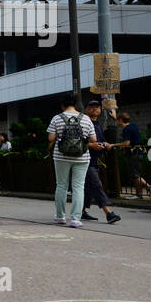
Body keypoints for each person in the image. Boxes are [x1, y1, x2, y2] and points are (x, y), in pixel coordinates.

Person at [48, 92, 100, 227]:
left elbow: (51, 139)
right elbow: (94, 139)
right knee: (78, 187)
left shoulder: (57, 118)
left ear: (62, 105)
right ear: (76, 104)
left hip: (61, 156)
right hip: (82, 157)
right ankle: (76, 219)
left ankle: (60, 217)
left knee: (61, 185)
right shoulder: (86, 119)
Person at [80, 101, 121, 224]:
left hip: (95, 160)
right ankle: (108, 213)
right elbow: (78, 142)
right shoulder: (84, 123)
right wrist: (92, 145)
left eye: (97, 107)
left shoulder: (97, 124)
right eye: (91, 107)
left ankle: (81, 211)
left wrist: (106, 144)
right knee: (96, 185)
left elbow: (101, 141)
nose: (94, 109)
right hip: (85, 160)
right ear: (86, 110)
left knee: (88, 188)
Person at [111, 112, 151, 200]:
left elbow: (127, 143)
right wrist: (115, 116)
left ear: (120, 120)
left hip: (133, 154)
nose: (117, 122)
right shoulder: (133, 126)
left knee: (135, 175)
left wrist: (113, 145)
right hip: (139, 152)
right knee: (136, 174)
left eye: (117, 120)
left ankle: (139, 194)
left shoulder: (126, 129)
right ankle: (150, 188)